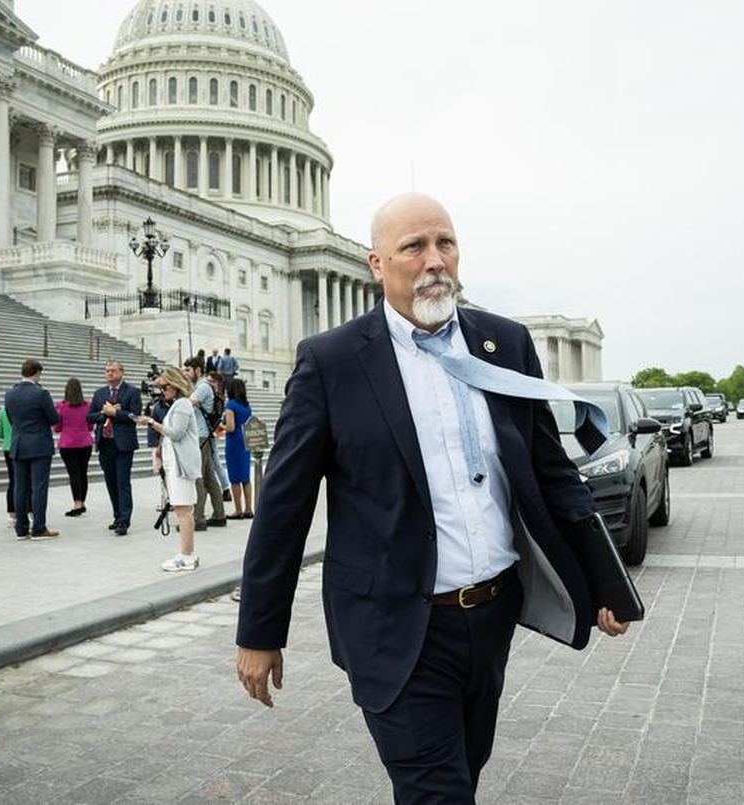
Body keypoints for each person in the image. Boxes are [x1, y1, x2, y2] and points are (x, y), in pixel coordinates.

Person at [234, 193, 628, 802]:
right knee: (437, 794)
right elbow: (284, 506)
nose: (434, 260)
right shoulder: (332, 362)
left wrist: (605, 579)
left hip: (493, 611)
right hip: (393, 624)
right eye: (413, 247)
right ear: (375, 263)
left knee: (464, 773)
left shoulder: (504, 343)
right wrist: (260, 630)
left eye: (444, 243)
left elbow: (551, 474)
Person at [136, 366, 201, 571]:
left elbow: (176, 433)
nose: (162, 391)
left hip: (180, 464)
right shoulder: (179, 404)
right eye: (161, 387)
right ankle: (187, 554)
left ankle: (187, 555)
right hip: (176, 463)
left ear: (174, 385)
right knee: (183, 509)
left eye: (165, 387)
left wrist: (152, 422)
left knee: (183, 510)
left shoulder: (182, 404)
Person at [3, 360, 60, 539]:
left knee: (20, 487)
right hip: (39, 445)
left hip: (18, 444)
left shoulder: (9, 394)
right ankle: (39, 528)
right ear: (36, 373)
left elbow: (12, 419)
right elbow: (53, 418)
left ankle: (21, 529)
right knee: (39, 487)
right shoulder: (41, 393)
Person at [87, 360, 142, 536]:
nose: (109, 373)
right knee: (111, 482)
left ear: (121, 372)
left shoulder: (132, 392)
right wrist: (104, 413)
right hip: (105, 443)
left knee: (122, 482)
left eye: (113, 371)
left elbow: (135, 416)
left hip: (123, 445)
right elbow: (89, 417)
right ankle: (117, 516)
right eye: (107, 371)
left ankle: (124, 520)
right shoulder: (99, 393)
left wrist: (116, 413)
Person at [183, 357, 227, 530]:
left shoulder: (202, 387)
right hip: (205, 436)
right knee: (209, 477)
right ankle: (219, 515)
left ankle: (198, 518)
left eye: (188, 370)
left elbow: (186, 404)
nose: (186, 373)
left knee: (198, 477)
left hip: (200, 437)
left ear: (198, 370)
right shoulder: (202, 386)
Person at [55, 378, 93, 517]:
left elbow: (57, 428)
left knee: (74, 474)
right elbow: (90, 426)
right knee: (83, 473)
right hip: (85, 443)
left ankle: (77, 504)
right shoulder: (87, 405)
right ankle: (82, 502)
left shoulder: (60, 406)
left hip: (68, 444)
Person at [222, 377, 253, 519]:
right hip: (246, 439)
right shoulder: (247, 406)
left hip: (234, 442)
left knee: (234, 477)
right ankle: (248, 509)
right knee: (245, 477)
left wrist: (220, 426)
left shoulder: (230, 405)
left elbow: (230, 427)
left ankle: (238, 510)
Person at [0, 406, 15, 526]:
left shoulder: (3, 410)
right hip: (21, 446)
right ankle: (30, 511)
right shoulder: (21, 407)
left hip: (8, 447)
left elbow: (0, 433)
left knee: (12, 480)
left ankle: (12, 514)